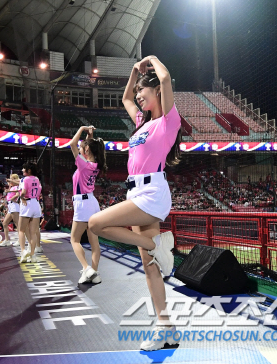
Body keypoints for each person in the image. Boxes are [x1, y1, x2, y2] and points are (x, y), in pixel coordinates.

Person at [88, 55, 181, 351]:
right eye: (139, 91)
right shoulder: (142, 123)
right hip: (136, 193)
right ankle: (166, 328)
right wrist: (133, 72)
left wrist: (152, 60)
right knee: (150, 267)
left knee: (96, 224)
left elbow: (166, 79)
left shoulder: (167, 122)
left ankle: (158, 246)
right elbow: (125, 97)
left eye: (144, 91)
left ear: (156, 93)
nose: (138, 96)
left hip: (151, 192)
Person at [69, 125, 107, 284]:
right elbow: (88, 146)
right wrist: (90, 135)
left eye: (83, 148)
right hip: (92, 202)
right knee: (94, 243)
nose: (80, 148)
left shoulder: (83, 164)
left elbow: (72, 144)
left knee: (74, 240)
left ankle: (86, 268)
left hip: (82, 203)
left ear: (87, 151)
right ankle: (95, 274)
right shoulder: (96, 164)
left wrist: (81, 128)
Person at [16, 162, 42, 263]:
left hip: (27, 204)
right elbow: (39, 191)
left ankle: (23, 252)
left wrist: (21, 197)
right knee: (33, 233)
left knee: (21, 230)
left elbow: (23, 192)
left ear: (29, 170)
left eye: (24, 168)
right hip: (36, 204)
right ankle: (32, 255)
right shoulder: (37, 179)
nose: (22, 170)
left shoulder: (24, 179)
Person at [0, 174, 22, 247]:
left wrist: (12, 198)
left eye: (11, 179)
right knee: (5, 223)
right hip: (10, 206)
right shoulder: (12, 187)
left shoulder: (16, 186)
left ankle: (20, 240)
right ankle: (7, 240)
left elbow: (18, 194)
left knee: (17, 224)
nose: (10, 180)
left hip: (14, 206)